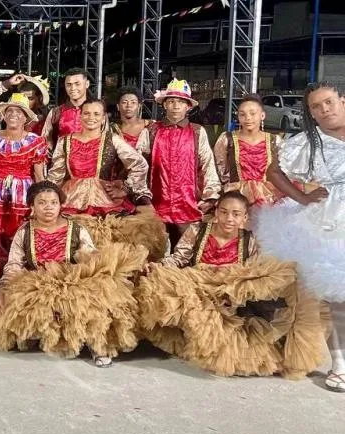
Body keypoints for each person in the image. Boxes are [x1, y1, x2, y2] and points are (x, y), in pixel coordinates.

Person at [138, 191, 325, 379]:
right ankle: (191, 335)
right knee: (163, 282)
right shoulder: (198, 231)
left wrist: (234, 294)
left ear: (244, 218)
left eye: (236, 214)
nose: (229, 219)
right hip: (198, 284)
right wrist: (160, 266)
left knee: (286, 287)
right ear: (216, 212)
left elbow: (251, 273)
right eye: (224, 212)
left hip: (230, 289)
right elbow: (179, 258)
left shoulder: (249, 240)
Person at [0, 181, 141, 367]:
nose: (48, 207)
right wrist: (5, 287)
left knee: (90, 304)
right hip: (37, 284)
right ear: (32, 206)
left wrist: (91, 273)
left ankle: (97, 346)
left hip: (71, 281)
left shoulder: (76, 229)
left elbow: (91, 256)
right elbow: (14, 264)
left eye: (53, 203)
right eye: (42, 203)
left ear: (60, 205)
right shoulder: (24, 232)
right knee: (10, 311)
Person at [255, 82, 345, 391]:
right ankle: (340, 364)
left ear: (342, 101)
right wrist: (303, 197)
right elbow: (273, 173)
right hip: (328, 218)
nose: (324, 110)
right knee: (335, 296)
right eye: (316, 107)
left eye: (329, 102)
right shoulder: (308, 141)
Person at [136, 79, 221, 248]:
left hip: (189, 206)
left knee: (187, 253)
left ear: (188, 106)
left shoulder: (197, 132)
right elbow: (139, 166)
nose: (176, 106)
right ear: (165, 105)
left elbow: (208, 164)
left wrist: (210, 196)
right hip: (156, 207)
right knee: (155, 252)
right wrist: (142, 197)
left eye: (181, 102)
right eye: (171, 101)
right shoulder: (151, 131)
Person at [47, 98, 151, 216]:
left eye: (96, 114)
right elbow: (55, 176)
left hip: (104, 199)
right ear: (80, 116)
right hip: (71, 198)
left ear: (103, 118)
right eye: (86, 113)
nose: (91, 118)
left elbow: (140, 164)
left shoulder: (112, 139)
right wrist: (47, 197)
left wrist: (125, 189)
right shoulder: (65, 141)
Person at [0, 95, 47, 254]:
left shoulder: (35, 141)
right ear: (4, 115)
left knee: (19, 234)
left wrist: (41, 200)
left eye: (19, 112)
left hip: (23, 193)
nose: (13, 115)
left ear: (25, 118)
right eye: (10, 111)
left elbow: (39, 175)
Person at [212, 94, 282, 206]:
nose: (248, 118)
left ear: (262, 115)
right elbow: (219, 171)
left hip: (269, 201)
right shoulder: (227, 139)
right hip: (236, 200)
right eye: (242, 114)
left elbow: (282, 173)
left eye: (253, 113)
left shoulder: (275, 141)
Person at [41, 68, 91, 151]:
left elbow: (105, 140)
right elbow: (45, 141)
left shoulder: (97, 112)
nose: (72, 88)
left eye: (77, 84)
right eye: (69, 85)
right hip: (62, 161)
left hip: (92, 161)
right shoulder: (56, 112)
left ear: (87, 84)